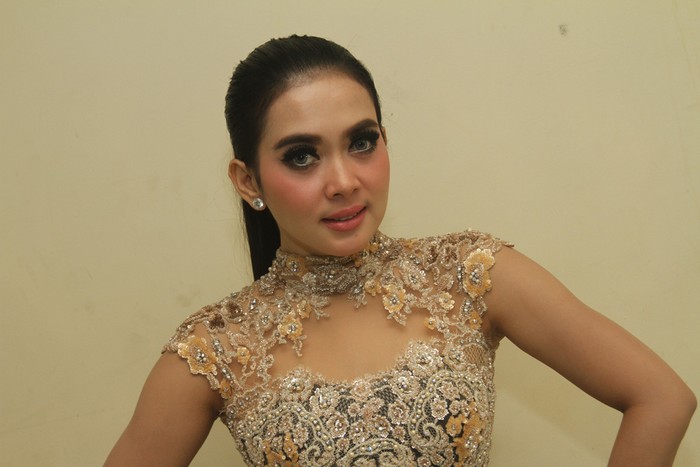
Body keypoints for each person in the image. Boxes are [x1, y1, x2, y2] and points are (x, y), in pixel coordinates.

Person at [105, 35, 695, 466]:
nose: (343, 181)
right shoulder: (216, 348)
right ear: (247, 180)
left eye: (361, 142)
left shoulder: (469, 274)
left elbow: (662, 398)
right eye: (302, 156)